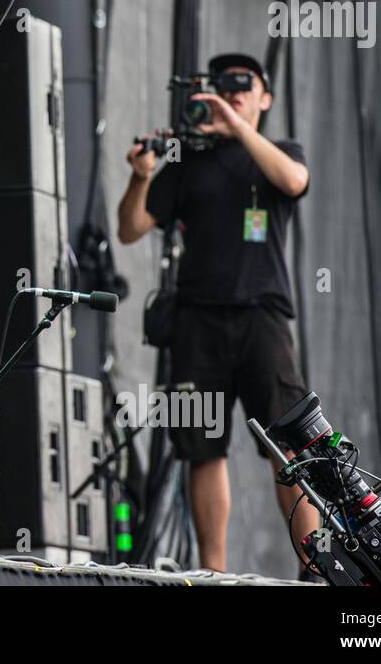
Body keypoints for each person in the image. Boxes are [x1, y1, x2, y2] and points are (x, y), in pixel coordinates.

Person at [117, 52, 320, 572]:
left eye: (243, 83)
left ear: (264, 97)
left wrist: (236, 127)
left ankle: (315, 566)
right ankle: (214, 573)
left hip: (263, 318)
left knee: (289, 447)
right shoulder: (191, 158)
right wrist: (142, 175)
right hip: (198, 321)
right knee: (202, 448)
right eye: (223, 82)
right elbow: (131, 227)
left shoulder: (278, 150)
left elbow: (294, 181)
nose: (232, 91)